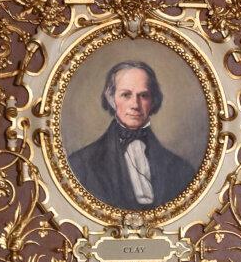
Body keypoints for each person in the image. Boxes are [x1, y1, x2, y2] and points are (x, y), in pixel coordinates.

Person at [68, 61, 196, 211]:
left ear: (153, 100)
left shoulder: (182, 170)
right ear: (111, 98)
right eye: (126, 95)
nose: (135, 104)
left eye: (143, 95)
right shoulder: (80, 165)